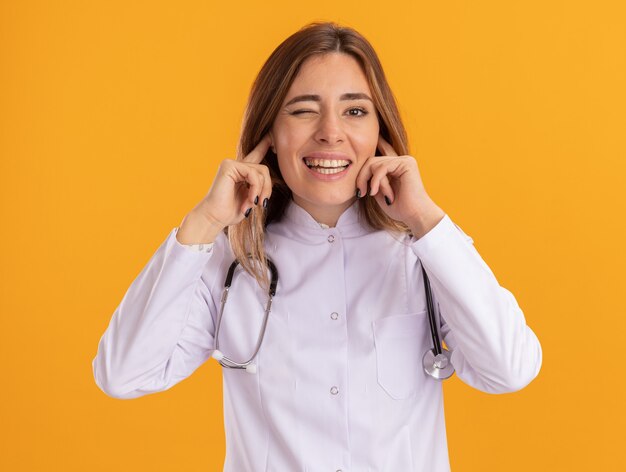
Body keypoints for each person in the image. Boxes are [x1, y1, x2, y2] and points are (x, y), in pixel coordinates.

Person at [93, 22, 542, 471]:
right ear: (269, 133)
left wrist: (425, 219)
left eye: (355, 112)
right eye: (304, 110)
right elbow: (123, 374)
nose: (331, 133)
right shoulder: (230, 263)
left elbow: (508, 368)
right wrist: (205, 221)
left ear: (380, 131)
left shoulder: (422, 255)